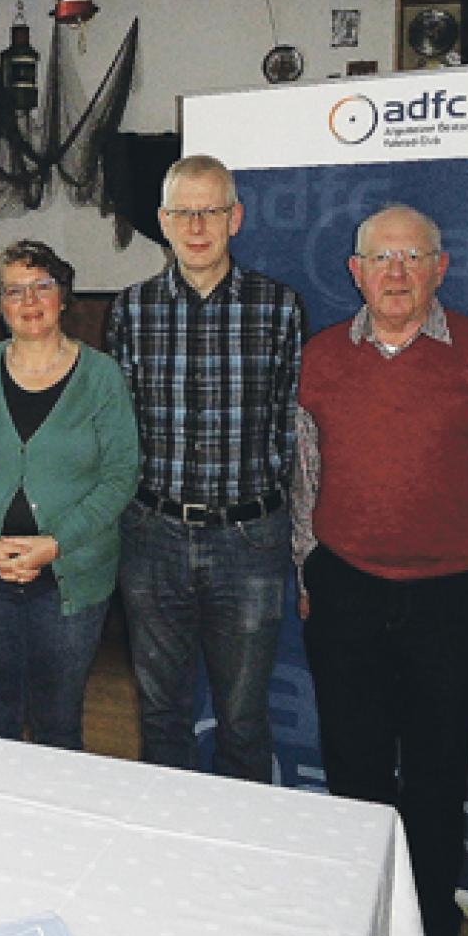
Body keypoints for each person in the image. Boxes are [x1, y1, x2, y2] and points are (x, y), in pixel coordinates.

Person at [292, 203, 468, 936]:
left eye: (413, 257)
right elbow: (306, 478)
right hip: (348, 591)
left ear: (441, 268)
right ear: (356, 272)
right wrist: (308, 569)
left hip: (454, 598)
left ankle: (430, 931)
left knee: (438, 776)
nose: (396, 272)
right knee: (354, 771)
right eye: (381, 258)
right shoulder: (320, 358)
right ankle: (362, 923)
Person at [108, 154, 303, 782]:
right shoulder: (131, 310)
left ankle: (239, 838)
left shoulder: (279, 308)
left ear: (235, 218)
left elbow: (292, 429)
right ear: (163, 221)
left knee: (242, 718)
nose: (197, 227)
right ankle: (170, 835)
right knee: (161, 713)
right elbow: (119, 429)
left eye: (211, 211)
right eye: (183, 213)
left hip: (249, 539)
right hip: (153, 537)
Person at [0, 240, 138, 749]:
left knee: (58, 718)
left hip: (71, 575)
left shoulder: (102, 376)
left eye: (42, 285)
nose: (30, 300)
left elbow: (121, 475)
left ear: (63, 295)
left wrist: (55, 545)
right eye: (14, 290)